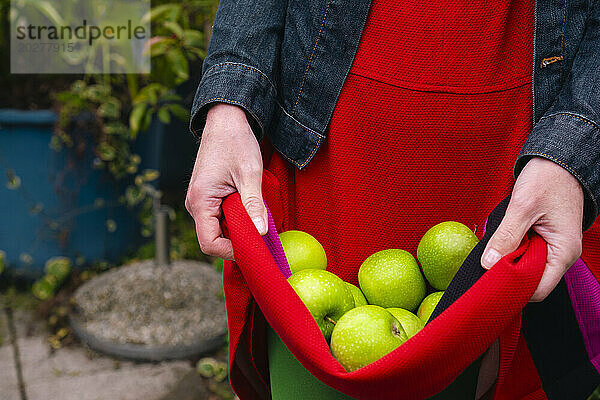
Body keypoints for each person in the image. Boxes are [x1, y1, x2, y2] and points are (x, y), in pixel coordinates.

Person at [185, 0, 600, 397]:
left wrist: (575, 143)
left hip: (524, 126)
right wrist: (230, 98)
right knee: (311, 379)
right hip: (333, 114)